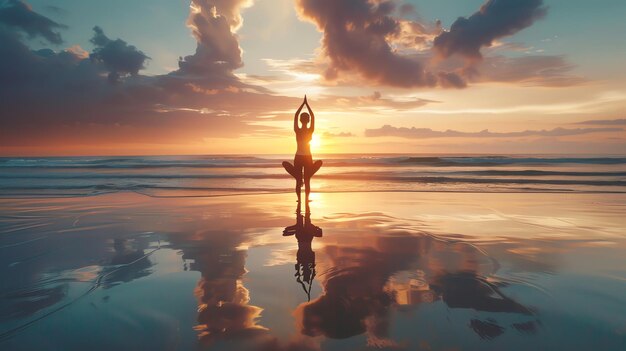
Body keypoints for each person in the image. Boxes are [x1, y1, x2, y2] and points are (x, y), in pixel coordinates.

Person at [282, 95, 322, 204]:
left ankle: (300, 199)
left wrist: (303, 105)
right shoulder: (309, 130)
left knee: (299, 181)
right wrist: (307, 105)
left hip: (301, 157)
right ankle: (304, 194)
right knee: (307, 181)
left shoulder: (298, 130)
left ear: (301, 120)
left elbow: (295, 115)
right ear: (308, 120)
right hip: (305, 157)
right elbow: (313, 116)